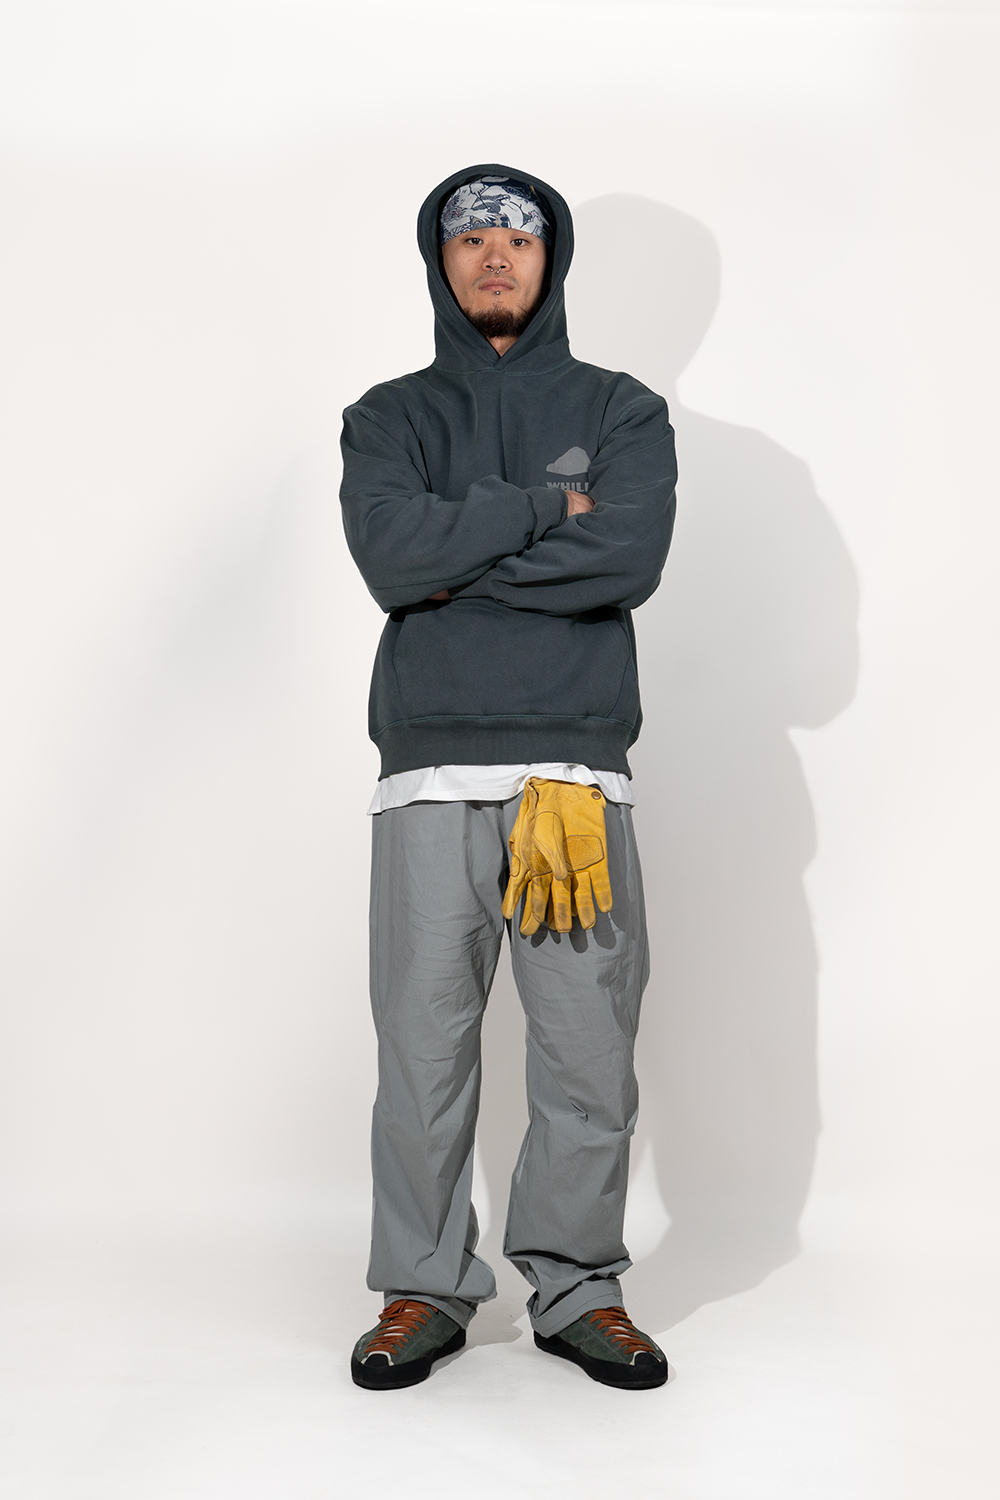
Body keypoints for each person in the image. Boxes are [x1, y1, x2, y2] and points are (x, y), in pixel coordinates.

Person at [339, 165, 677, 1391]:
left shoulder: (621, 408)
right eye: (471, 237)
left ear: (552, 258)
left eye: (518, 239)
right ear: (439, 259)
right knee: (422, 1056)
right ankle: (422, 1289)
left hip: (572, 773)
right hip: (427, 770)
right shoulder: (387, 416)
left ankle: (579, 1288)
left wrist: (456, 555)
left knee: (587, 1053)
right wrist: (544, 507)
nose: (495, 255)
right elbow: (388, 556)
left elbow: (626, 559)